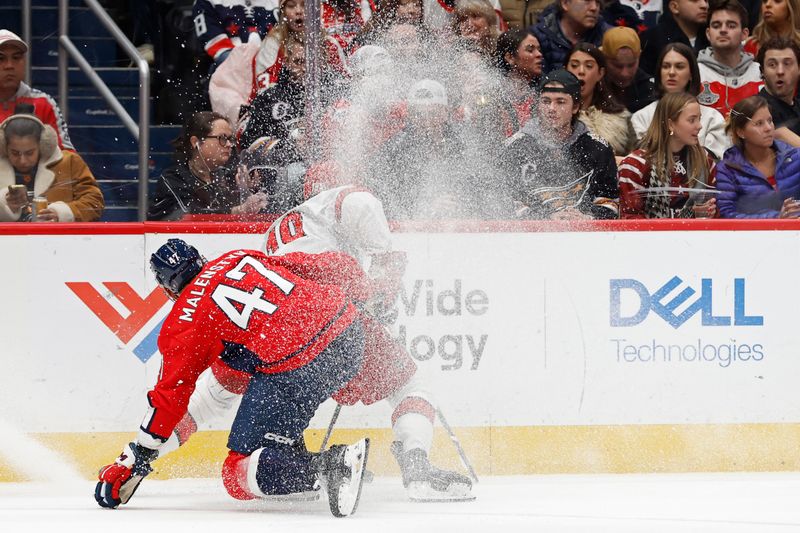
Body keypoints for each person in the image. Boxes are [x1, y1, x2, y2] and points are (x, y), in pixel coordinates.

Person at [143, 187, 475, 502]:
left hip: (278, 333)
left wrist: (139, 457)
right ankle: (416, 466)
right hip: (329, 314)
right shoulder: (330, 202)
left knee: (225, 399)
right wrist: (382, 278)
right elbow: (356, 208)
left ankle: (298, 471)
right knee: (407, 384)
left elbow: (199, 400)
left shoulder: (252, 252)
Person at [94, 239, 371, 516]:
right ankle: (288, 461)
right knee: (242, 376)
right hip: (351, 333)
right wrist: (364, 289)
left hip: (299, 365)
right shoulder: (239, 256)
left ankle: (331, 466)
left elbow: (170, 399)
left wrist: (138, 458)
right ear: (201, 259)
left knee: (237, 473)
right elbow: (327, 266)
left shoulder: (186, 320)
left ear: (167, 289)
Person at [501, 69, 619, 219]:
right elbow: (505, 202)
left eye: (560, 102)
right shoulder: (516, 147)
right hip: (531, 238)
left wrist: (586, 218)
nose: (551, 109)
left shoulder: (598, 148)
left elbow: (610, 203)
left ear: (575, 107)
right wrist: (545, 219)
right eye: (546, 101)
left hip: (586, 237)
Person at [148, 111, 267, 220]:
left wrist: (248, 190)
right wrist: (238, 210)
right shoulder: (173, 178)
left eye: (230, 139)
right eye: (222, 138)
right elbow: (189, 216)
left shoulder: (228, 176)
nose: (229, 144)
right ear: (196, 142)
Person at [619, 92, 718, 218]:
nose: (699, 126)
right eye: (692, 120)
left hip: (695, 236)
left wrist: (709, 212)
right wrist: (689, 215)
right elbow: (630, 221)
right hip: (651, 237)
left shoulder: (705, 162)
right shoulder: (635, 166)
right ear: (670, 124)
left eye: (699, 119)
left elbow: (718, 213)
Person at [0, 112, 103, 222]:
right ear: (3, 147)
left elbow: (94, 202)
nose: (22, 160)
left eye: (29, 153)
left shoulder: (70, 162)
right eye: (15, 153)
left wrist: (62, 213)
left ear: (43, 146)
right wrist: (3, 204)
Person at [631, 43, 730, 159]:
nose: (671, 72)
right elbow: (640, 161)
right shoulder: (641, 117)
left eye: (679, 66)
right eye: (666, 66)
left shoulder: (712, 118)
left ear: (691, 74)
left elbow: (714, 163)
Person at [716, 95, 800, 217]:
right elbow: (727, 214)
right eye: (759, 123)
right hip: (751, 235)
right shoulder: (728, 169)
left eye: (770, 121)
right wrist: (776, 218)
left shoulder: (795, 157)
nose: (768, 128)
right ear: (741, 132)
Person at [0, 30, 73, 150]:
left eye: (16, 57)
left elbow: (67, 158)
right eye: (1, 58)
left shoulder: (42, 102)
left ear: (24, 62)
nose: (9, 65)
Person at [566, 41, 635, 157]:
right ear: (565, 70)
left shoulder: (621, 117)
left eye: (589, 66)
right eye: (574, 65)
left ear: (600, 73)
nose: (581, 71)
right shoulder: (558, 116)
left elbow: (634, 157)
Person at [697, 0, 762, 116]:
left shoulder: (760, 73)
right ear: (708, 33)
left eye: (731, 25)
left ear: (745, 34)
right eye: (716, 26)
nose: (723, 30)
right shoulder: (695, 73)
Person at [531, 0, 611, 74]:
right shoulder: (537, 37)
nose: (594, 8)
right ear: (565, 3)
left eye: (598, 2)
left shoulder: (608, 37)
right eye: (587, 1)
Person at [192, 0, 280, 67]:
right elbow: (217, 47)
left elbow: (287, 40)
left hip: (273, 66)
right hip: (228, 68)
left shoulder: (280, 2)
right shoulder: (206, 2)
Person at [640, 0, 711, 76]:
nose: (704, 5)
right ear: (674, 7)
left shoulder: (713, 35)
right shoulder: (654, 38)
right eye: (694, 0)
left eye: (706, 1)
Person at [601, 26, 656, 113]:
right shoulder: (593, 85)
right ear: (604, 59)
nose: (625, 74)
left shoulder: (649, 89)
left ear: (639, 57)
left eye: (631, 65)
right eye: (618, 66)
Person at [495, 28, 543, 127]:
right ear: (510, 58)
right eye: (530, 49)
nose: (539, 54)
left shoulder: (545, 89)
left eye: (539, 50)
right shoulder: (494, 93)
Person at [757, 37, 800, 146]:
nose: (780, 71)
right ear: (762, 71)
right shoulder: (756, 109)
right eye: (772, 65)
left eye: (787, 63)